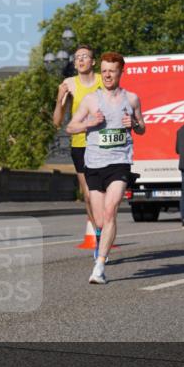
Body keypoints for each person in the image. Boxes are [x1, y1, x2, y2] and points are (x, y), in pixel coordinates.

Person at [66, 52, 145, 284]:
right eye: (105, 70)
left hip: (120, 162)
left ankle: (99, 265)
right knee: (100, 220)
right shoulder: (91, 100)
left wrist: (135, 124)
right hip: (94, 164)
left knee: (111, 211)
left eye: (112, 70)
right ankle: (101, 237)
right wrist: (88, 123)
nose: (108, 75)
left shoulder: (131, 99)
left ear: (121, 72)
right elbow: (70, 127)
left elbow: (142, 128)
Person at [53, 45, 103, 242]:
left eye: (85, 56)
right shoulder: (69, 84)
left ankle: (106, 227)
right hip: (81, 144)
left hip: (103, 142)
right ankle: (99, 233)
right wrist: (59, 100)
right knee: (90, 196)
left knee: (104, 194)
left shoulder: (103, 79)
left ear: (93, 61)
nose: (81, 60)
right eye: (77, 58)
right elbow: (57, 122)